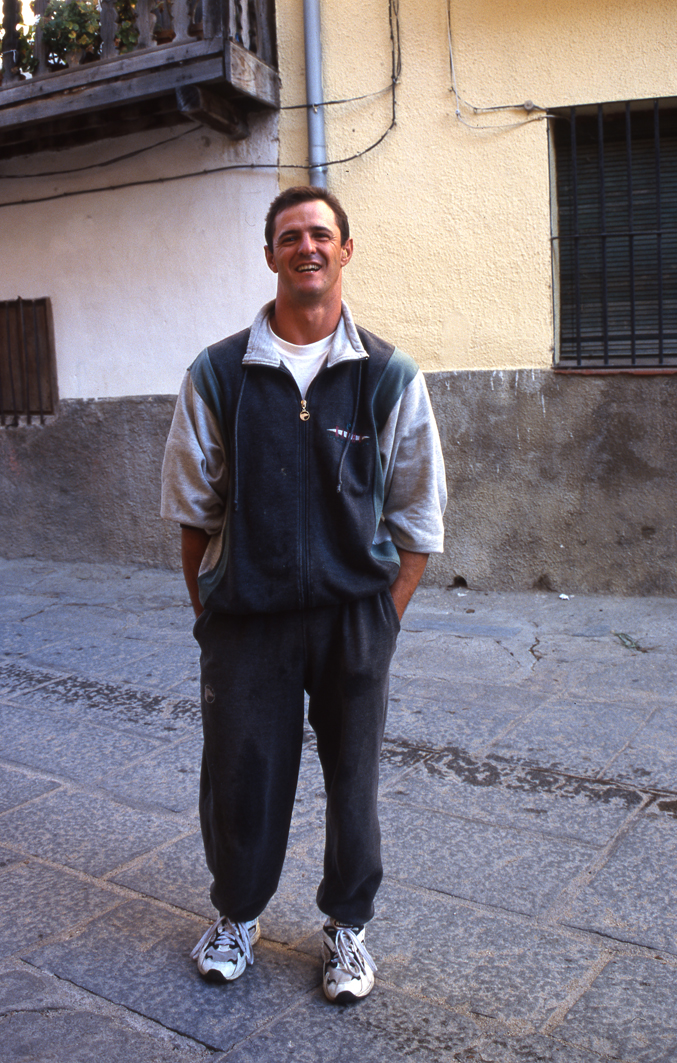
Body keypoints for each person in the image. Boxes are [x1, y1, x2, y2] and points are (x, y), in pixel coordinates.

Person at [161, 186, 446, 1003]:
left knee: (353, 782)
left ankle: (347, 927)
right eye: (290, 236)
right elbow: (192, 512)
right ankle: (237, 915)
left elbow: (417, 515)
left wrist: (383, 618)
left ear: (345, 249)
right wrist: (214, 609)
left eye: (321, 233)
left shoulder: (388, 374)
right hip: (247, 620)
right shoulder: (218, 373)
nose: (306, 247)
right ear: (270, 256)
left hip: (353, 617)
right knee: (241, 777)